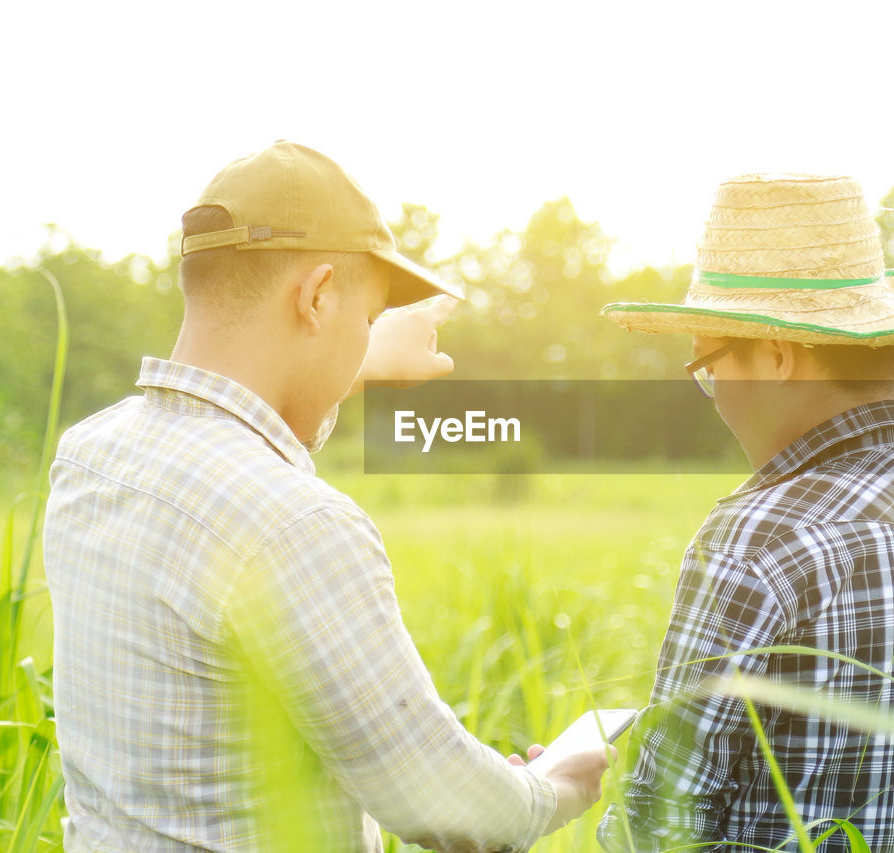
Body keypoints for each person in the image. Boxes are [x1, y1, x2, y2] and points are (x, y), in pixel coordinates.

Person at [43, 140, 609, 852]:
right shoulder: (295, 524)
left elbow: (233, 426)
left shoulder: (91, 455)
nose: (363, 341)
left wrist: (358, 357)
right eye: (363, 319)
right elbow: (443, 802)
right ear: (315, 297)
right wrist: (554, 787)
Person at [595, 174, 894, 851]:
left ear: (777, 357)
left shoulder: (755, 538)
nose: (715, 393)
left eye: (710, 366)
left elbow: (657, 827)